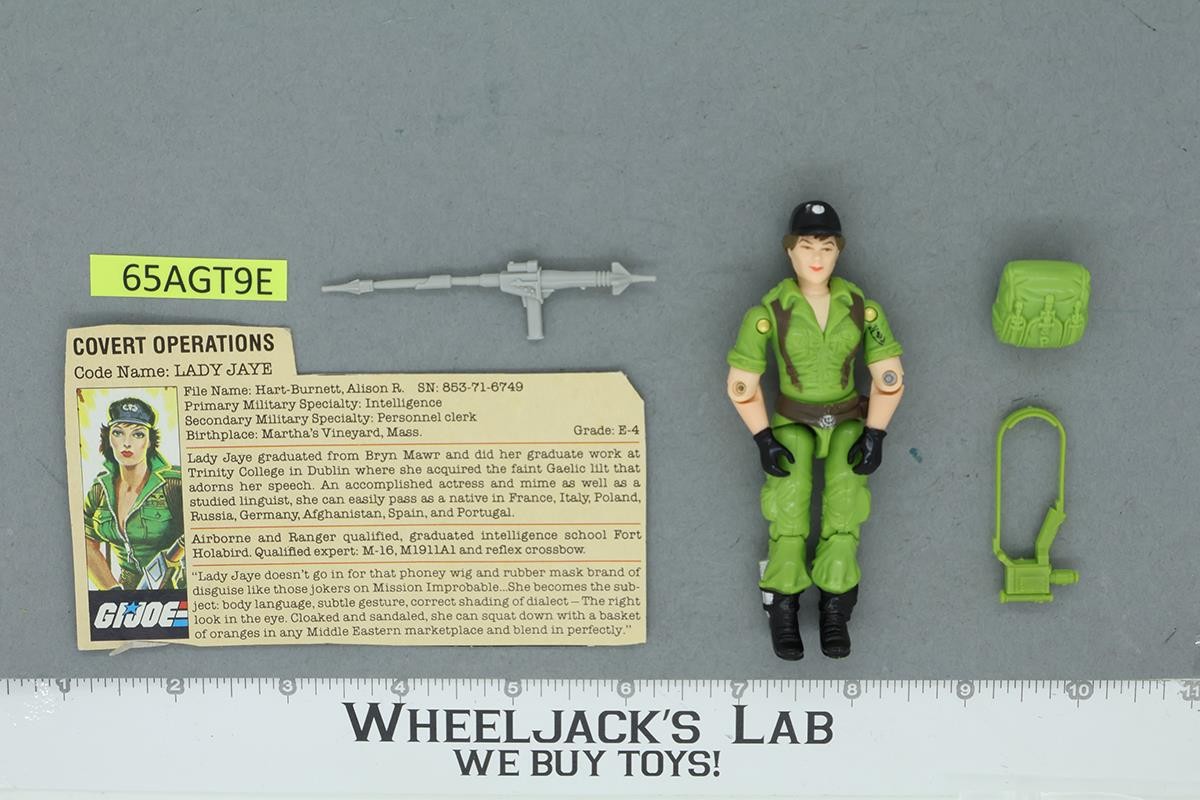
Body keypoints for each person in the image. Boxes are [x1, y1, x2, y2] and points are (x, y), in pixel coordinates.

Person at [726, 201, 904, 660]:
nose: (817, 257)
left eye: (826, 246)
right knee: (788, 506)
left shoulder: (861, 309)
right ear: (790, 251)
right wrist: (762, 436)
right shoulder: (770, 311)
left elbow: (888, 376)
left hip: (846, 419)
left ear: (839, 250)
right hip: (793, 420)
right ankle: (782, 605)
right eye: (807, 246)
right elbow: (742, 382)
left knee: (846, 507)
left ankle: (836, 607)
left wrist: (876, 432)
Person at [83, 397, 185, 591]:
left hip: (175, 591)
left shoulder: (174, 485)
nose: (126, 443)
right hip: (128, 595)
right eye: (118, 433)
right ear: (109, 438)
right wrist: (112, 590)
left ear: (149, 441)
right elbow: (85, 541)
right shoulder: (100, 490)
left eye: (138, 434)